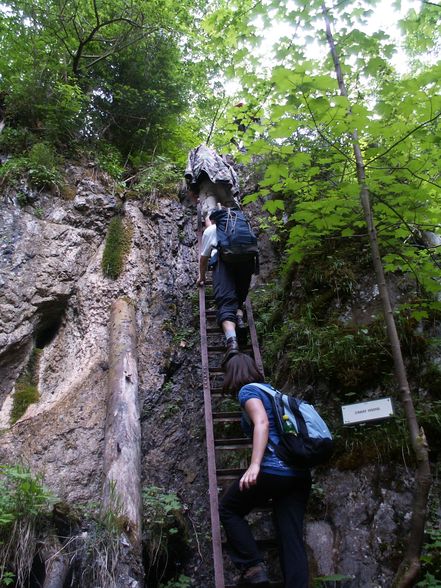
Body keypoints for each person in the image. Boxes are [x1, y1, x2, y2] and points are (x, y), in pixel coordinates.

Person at [219, 353, 311, 587]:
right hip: (299, 474)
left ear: (233, 372)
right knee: (291, 537)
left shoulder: (248, 391)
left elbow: (262, 422)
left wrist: (255, 464)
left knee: (229, 508)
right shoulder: (272, 392)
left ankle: (253, 567)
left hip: (274, 469)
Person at [197, 208, 256, 365]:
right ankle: (239, 319)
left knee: (226, 301)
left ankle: (232, 342)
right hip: (247, 262)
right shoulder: (242, 227)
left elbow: (203, 259)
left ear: (214, 220)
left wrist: (201, 277)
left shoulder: (211, 230)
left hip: (224, 264)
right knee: (240, 296)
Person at [185, 144, 241, 227]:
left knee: (209, 213)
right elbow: (230, 171)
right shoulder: (217, 157)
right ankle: (238, 232)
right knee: (232, 211)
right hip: (224, 183)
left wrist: (194, 195)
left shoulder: (195, 153)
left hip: (206, 184)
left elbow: (189, 174)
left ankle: (214, 237)